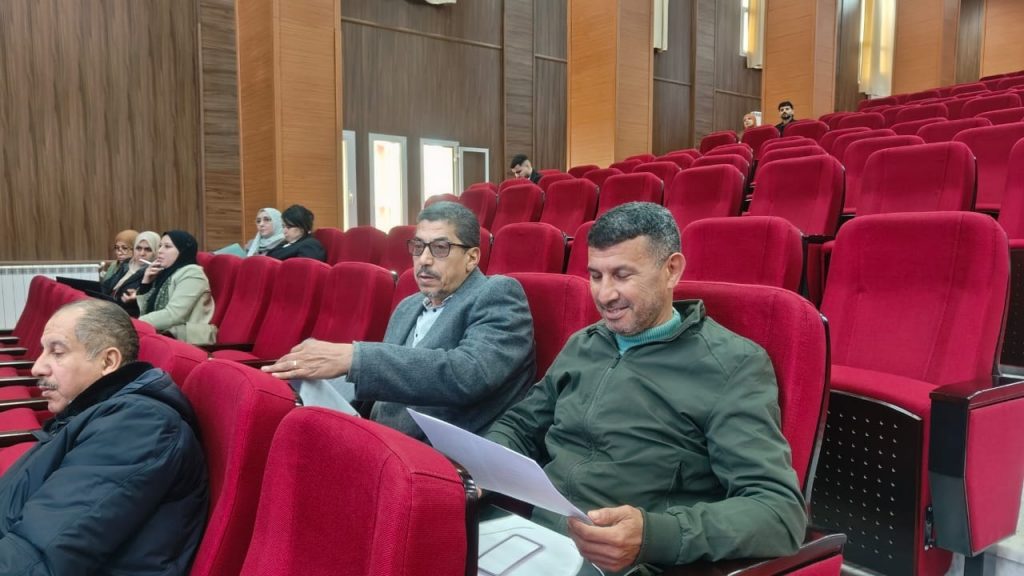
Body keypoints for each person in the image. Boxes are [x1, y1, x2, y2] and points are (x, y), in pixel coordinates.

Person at [485, 202, 806, 575]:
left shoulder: (732, 366)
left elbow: (778, 512)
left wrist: (655, 535)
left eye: (622, 275)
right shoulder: (584, 343)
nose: (605, 295)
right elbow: (520, 425)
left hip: (627, 564)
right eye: (595, 276)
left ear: (671, 270)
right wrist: (480, 464)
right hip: (533, 538)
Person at [263, 201, 536, 440]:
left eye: (440, 248)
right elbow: (385, 385)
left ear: (472, 257)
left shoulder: (497, 293)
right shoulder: (408, 306)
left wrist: (355, 359)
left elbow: (467, 373)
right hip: (379, 438)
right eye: (418, 246)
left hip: (438, 455)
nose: (424, 260)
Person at [0, 299, 208, 575]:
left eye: (57, 352)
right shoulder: (94, 412)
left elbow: (37, 558)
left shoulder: (140, 426)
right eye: (43, 350)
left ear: (108, 361)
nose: (38, 367)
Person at [136, 230, 218, 345]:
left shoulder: (192, 273)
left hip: (187, 339)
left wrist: (137, 324)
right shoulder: (166, 272)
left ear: (182, 250)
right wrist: (146, 283)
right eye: (160, 246)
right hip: (164, 334)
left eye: (167, 246)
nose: (160, 251)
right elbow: (145, 311)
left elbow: (174, 315)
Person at [112, 230, 161, 317]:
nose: (142, 254)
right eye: (138, 248)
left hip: (127, 315)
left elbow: (146, 302)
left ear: (156, 251)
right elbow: (107, 285)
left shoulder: (155, 272)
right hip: (112, 306)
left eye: (148, 249)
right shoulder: (127, 263)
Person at [99, 229, 138, 294]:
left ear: (136, 249)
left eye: (124, 248)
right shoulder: (114, 265)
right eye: (117, 248)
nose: (119, 253)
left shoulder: (140, 268)